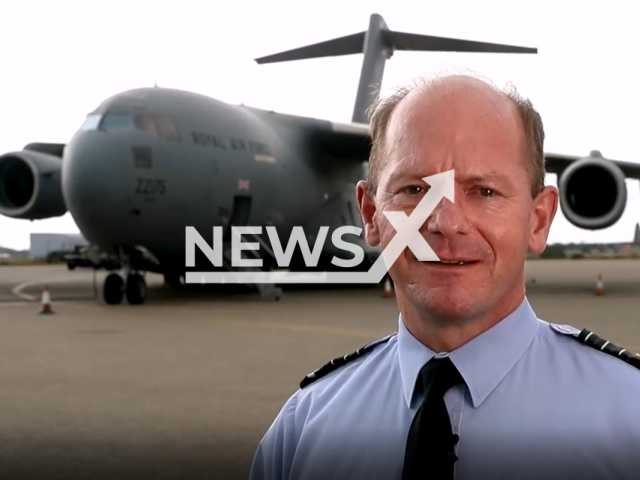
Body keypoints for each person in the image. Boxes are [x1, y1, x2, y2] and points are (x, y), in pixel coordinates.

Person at [248, 73, 640, 480]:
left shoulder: (629, 418)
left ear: (538, 220)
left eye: (484, 191)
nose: (446, 223)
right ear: (370, 215)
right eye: (414, 190)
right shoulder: (302, 430)